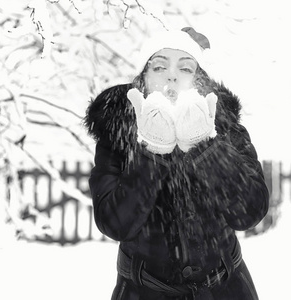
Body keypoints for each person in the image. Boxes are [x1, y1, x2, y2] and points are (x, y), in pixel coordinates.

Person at [83, 27, 269, 300]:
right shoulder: (117, 131)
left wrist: (206, 148)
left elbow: (250, 212)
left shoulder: (224, 126)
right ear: (142, 80)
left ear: (199, 82)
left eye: (185, 68)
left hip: (226, 289)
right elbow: (114, 223)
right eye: (159, 67)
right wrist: (152, 153)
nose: (171, 75)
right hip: (143, 292)